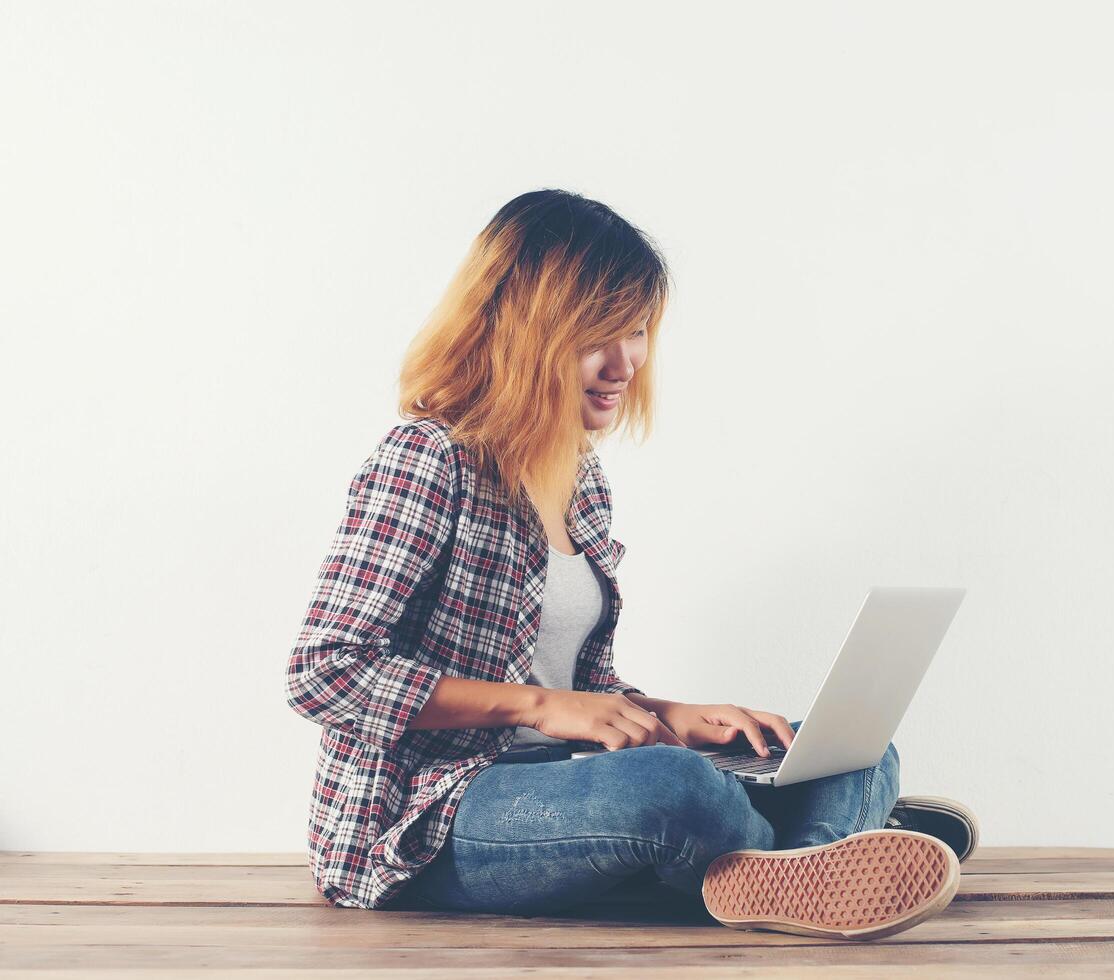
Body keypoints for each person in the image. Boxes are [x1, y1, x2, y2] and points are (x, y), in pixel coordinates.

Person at [284, 189, 978, 940]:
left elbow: (577, 691)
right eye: (595, 337)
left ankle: (802, 864)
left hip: (563, 776)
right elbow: (323, 671)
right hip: (428, 819)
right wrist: (536, 706)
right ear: (521, 331)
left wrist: (668, 715)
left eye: (637, 331)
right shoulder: (427, 458)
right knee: (671, 785)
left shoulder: (578, 476)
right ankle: (832, 843)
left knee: (846, 749)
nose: (623, 363)